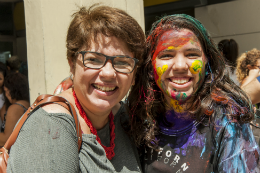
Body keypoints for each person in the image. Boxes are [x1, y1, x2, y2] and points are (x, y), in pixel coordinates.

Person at [7, 5, 145, 172]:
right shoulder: (48, 127)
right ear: (71, 64)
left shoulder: (123, 117)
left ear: (134, 74)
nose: (108, 73)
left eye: (123, 62)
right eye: (94, 60)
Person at [127, 14, 260, 172]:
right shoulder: (137, 117)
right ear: (150, 67)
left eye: (191, 54)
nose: (181, 66)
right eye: (167, 55)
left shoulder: (228, 122)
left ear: (207, 62)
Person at [0, 73, 30, 147]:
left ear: (12, 90)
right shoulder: (27, 103)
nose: (6, 95)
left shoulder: (15, 108)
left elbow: (6, 139)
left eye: (6, 91)